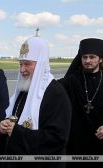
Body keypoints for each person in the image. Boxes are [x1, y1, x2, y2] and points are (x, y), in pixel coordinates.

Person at [0, 36, 71, 168]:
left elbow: (58, 138)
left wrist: (17, 132)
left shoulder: (55, 93)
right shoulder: (24, 89)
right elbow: (15, 120)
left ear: (41, 64)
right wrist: (5, 124)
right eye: (20, 64)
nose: (22, 70)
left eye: (27, 64)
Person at [58, 38, 103, 168]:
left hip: (99, 144)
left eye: (92, 57)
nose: (87, 60)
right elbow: (52, 90)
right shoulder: (72, 80)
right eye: (84, 57)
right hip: (75, 144)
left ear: (100, 59)